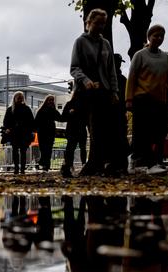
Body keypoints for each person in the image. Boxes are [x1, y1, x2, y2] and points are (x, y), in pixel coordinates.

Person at [71, 8, 122, 177]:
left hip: (104, 91)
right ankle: (95, 162)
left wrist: (114, 91)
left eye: (103, 23)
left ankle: (101, 162)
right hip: (87, 92)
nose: (101, 26)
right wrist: (86, 81)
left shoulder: (105, 43)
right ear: (89, 22)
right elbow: (74, 68)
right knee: (93, 127)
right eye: (97, 23)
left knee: (104, 127)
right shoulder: (80, 42)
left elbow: (111, 70)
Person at [126, 25, 168, 175]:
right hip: (141, 98)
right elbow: (131, 78)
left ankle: (134, 157)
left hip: (159, 100)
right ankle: (151, 165)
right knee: (143, 132)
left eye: (161, 36)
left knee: (156, 133)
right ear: (149, 37)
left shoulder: (165, 57)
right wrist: (129, 99)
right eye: (155, 35)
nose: (158, 38)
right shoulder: (140, 55)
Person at [4, 91, 35, 174]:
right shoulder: (10, 109)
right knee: (16, 151)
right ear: (15, 98)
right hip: (15, 133)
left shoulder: (26, 109)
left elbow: (31, 121)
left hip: (24, 133)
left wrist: (31, 131)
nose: (20, 99)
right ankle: (17, 168)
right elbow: (6, 121)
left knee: (23, 151)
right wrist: (7, 128)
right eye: (18, 97)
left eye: (21, 97)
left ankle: (22, 169)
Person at [34, 95, 66, 172]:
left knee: (48, 149)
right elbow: (36, 122)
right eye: (50, 100)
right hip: (42, 132)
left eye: (52, 100)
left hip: (49, 132)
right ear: (46, 101)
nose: (51, 101)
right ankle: (44, 163)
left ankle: (45, 165)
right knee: (44, 149)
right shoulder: (41, 111)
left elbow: (60, 118)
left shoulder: (52, 110)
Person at [61, 93, 89, 178]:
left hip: (78, 130)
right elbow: (63, 117)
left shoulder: (83, 105)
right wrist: (69, 113)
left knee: (79, 148)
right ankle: (70, 165)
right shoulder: (70, 104)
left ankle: (81, 164)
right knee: (72, 148)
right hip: (74, 130)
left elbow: (87, 118)